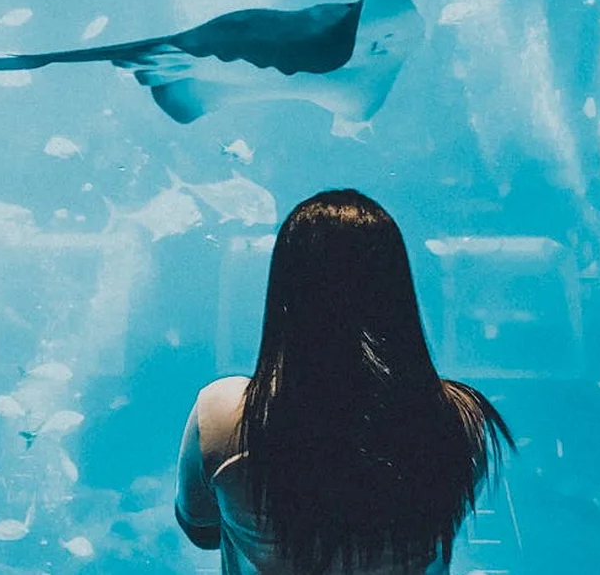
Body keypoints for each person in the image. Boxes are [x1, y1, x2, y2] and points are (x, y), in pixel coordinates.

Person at [175, 189, 515, 574]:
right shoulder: (460, 421)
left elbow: (200, 529)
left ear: (287, 293)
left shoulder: (222, 414)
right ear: (397, 293)